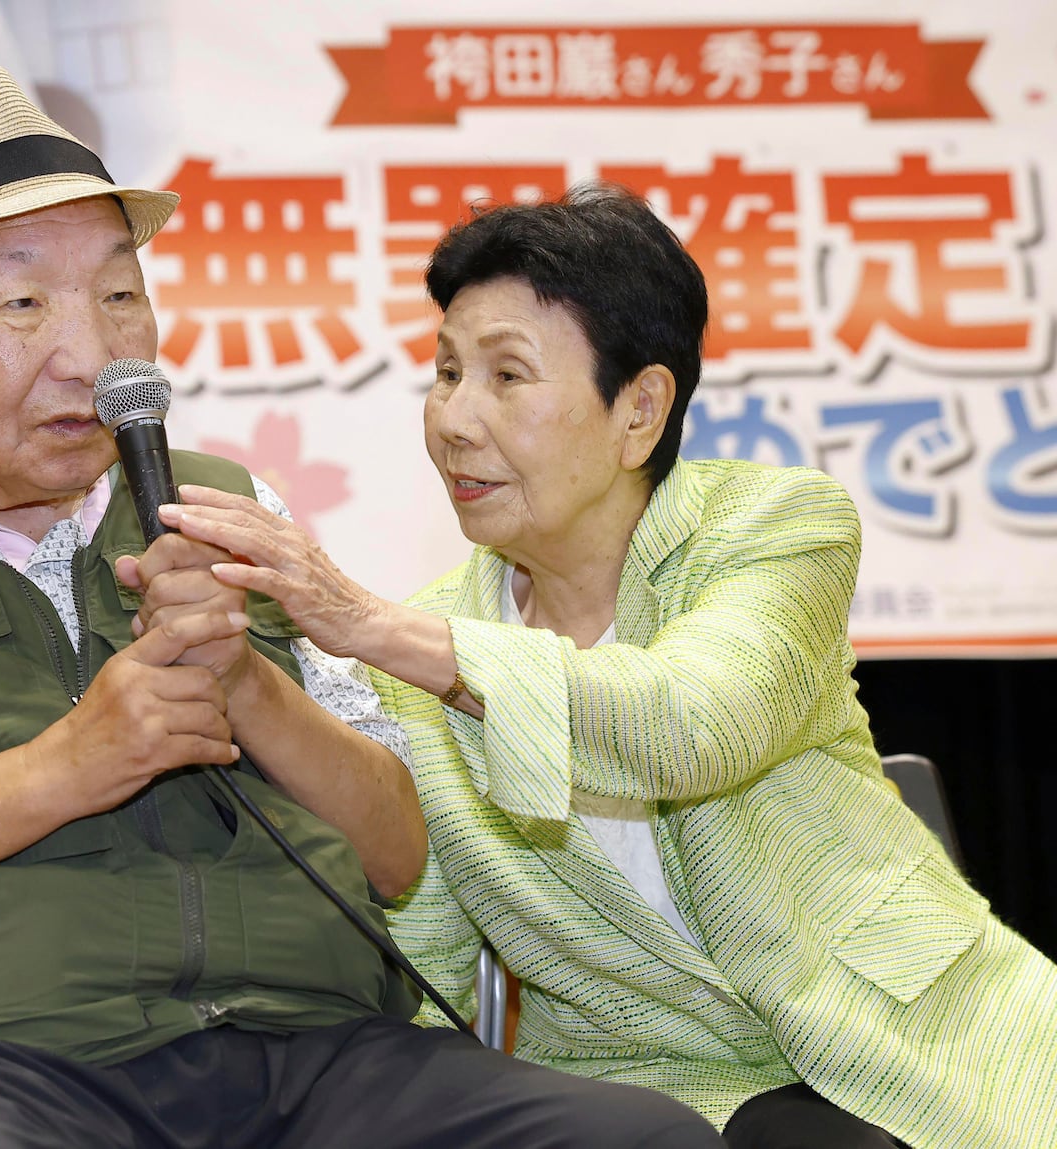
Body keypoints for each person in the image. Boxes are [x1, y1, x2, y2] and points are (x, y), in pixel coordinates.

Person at [0, 68, 721, 1149]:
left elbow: (396, 850)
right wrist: (63, 767)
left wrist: (247, 684)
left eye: (119, 296)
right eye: (23, 303)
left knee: (647, 1141)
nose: (91, 351)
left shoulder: (229, 508)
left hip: (317, 1058)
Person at [150, 185, 1057, 1149]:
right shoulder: (419, 643)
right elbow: (427, 959)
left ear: (640, 412)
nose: (455, 419)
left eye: (507, 377)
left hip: (911, 1032)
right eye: (447, 371)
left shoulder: (775, 527)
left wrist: (361, 621)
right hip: (647, 1090)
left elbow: (696, 726)